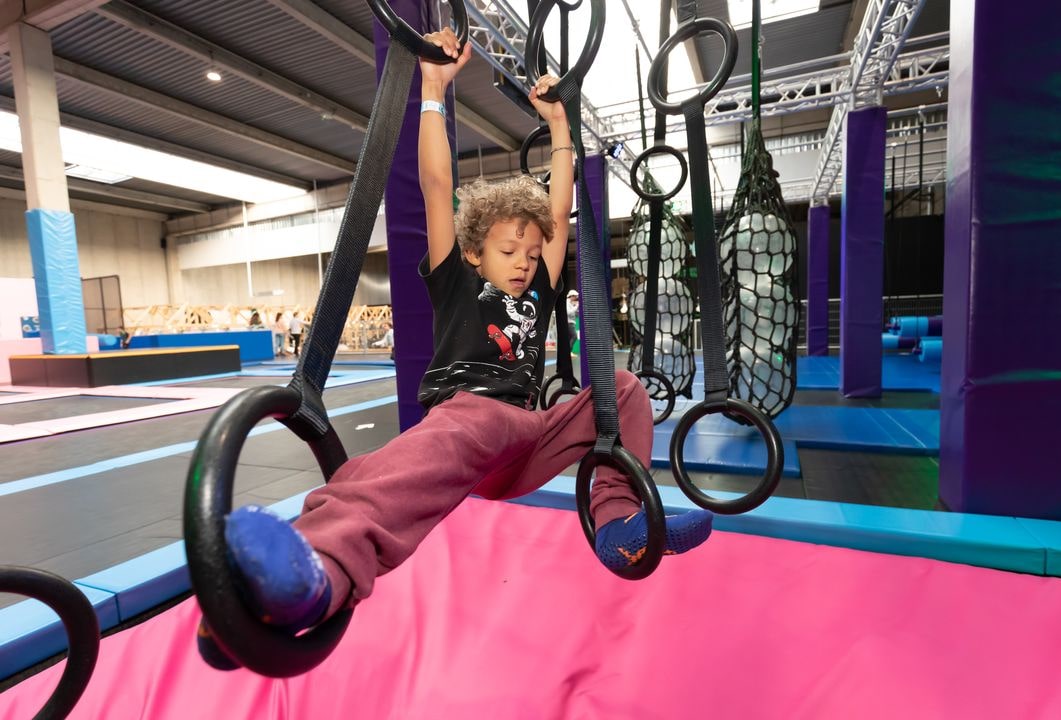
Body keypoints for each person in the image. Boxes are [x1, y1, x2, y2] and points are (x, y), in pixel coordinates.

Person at [196, 30, 712, 670]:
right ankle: (312, 570)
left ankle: (617, 528)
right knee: (395, 470)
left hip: (525, 435)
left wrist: (559, 129)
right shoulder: (455, 277)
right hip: (469, 418)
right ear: (473, 252)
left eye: (532, 254)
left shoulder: (540, 286)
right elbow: (435, 186)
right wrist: (435, 90)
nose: (525, 264)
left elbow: (559, 206)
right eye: (508, 252)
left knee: (625, 390)